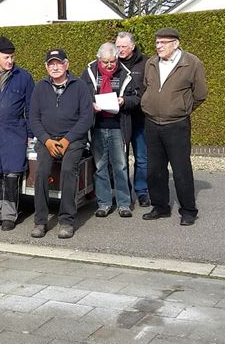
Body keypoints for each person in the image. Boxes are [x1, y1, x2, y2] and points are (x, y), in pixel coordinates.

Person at [141, 28, 208, 226]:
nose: (158, 46)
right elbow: (147, 86)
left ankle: (188, 210)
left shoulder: (192, 63)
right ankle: (160, 206)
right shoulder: (151, 63)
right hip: (152, 123)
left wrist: (182, 109)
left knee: (181, 170)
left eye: (163, 42)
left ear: (176, 43)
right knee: (155, 170)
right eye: (157, 42)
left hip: (177, 125)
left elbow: (200, 94)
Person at [29, 49, 93, 239]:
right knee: (40, 172)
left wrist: (67, 140)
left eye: (58, 63)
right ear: (46, 67)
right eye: (51, 64)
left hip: (73, 140)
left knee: (68, 170)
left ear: (67, 65)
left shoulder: (80, 86)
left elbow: (86, 118)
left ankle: (66, 221)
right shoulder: (40, 87)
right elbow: (33, 118)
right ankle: (40, 221)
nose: (55, 67)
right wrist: (47, 140)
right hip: (46, 139)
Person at [0, 36, 35, 231]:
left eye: (12, 57)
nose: (10, 61)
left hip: (15, 133)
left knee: (12, 174)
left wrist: (29, 134)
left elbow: (31, 108)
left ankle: (10, 214)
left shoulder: (24, 77)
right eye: (6, 57)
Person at [81, 42, 140, 219]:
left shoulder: (125, 73)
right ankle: (104, 203)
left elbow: (137, 97)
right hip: (97, 126)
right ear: (99, 59)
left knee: (120, 166)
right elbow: (81, 95)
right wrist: (90, 104)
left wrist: (124, 101)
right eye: (105, 62)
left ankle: (123, 203)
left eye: (112, 62)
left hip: (118, 126)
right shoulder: (90, 72)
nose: (109, 65)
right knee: (99, 167)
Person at [116, 31, 150, 207]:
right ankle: (124, 192)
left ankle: (142, 191)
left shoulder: (145, 63)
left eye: (124, 46)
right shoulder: (112, 63)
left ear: (133, 46)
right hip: (120, 118)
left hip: (140, 118)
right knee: (121, 158)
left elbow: (149, 89)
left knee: (142, 157)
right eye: (118, 46)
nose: (120, 50)